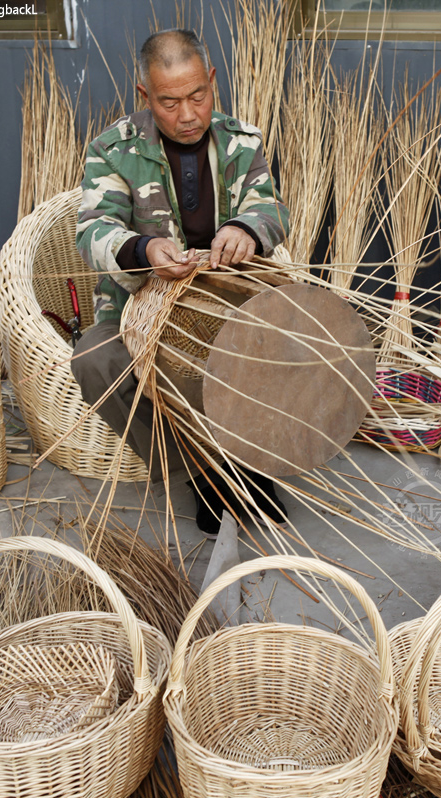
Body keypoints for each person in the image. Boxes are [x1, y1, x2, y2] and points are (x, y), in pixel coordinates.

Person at [71, 28, 290, 537]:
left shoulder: (241, 140)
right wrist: (144, 250)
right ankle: (203, 470)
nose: (188, 114)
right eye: (169, 102)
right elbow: (92, 230)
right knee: (94, 359)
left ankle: (256, 460)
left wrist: (246, 229)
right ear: (145, 97)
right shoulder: (112, 150)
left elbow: (272, 208)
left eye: (198, 96)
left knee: (293, 333)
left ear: (212, 81)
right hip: (139, 308)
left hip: (228, 303)